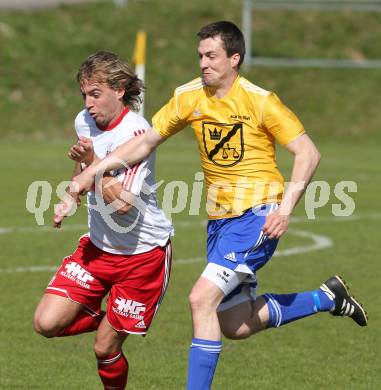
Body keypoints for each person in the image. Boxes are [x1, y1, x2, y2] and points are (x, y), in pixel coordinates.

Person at [55, 22, 368, 389]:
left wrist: (284, 209)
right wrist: (87, 174)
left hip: (258, 214)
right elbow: (145, 143)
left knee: (200, 299)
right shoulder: (190, 96)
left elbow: (307, 153)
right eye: (200, 56)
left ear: (234, 59)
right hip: (220, 223)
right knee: (236, 323)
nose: (203, 63)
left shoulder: (260, 100)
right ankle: (326, 297)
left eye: (212, 56)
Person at [33, 51, 173, 390]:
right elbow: (84, 167)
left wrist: (94, 163)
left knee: (104, 348)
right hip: (98, 249)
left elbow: (124, 206)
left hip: (143, 256)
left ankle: (112, 329)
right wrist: (72, 195)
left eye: (95, 94)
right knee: (45, 323)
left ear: (120, 89)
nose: (88, 103)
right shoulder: (84, 121)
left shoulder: (138, 134)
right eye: (84, 94)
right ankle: (108, 316)